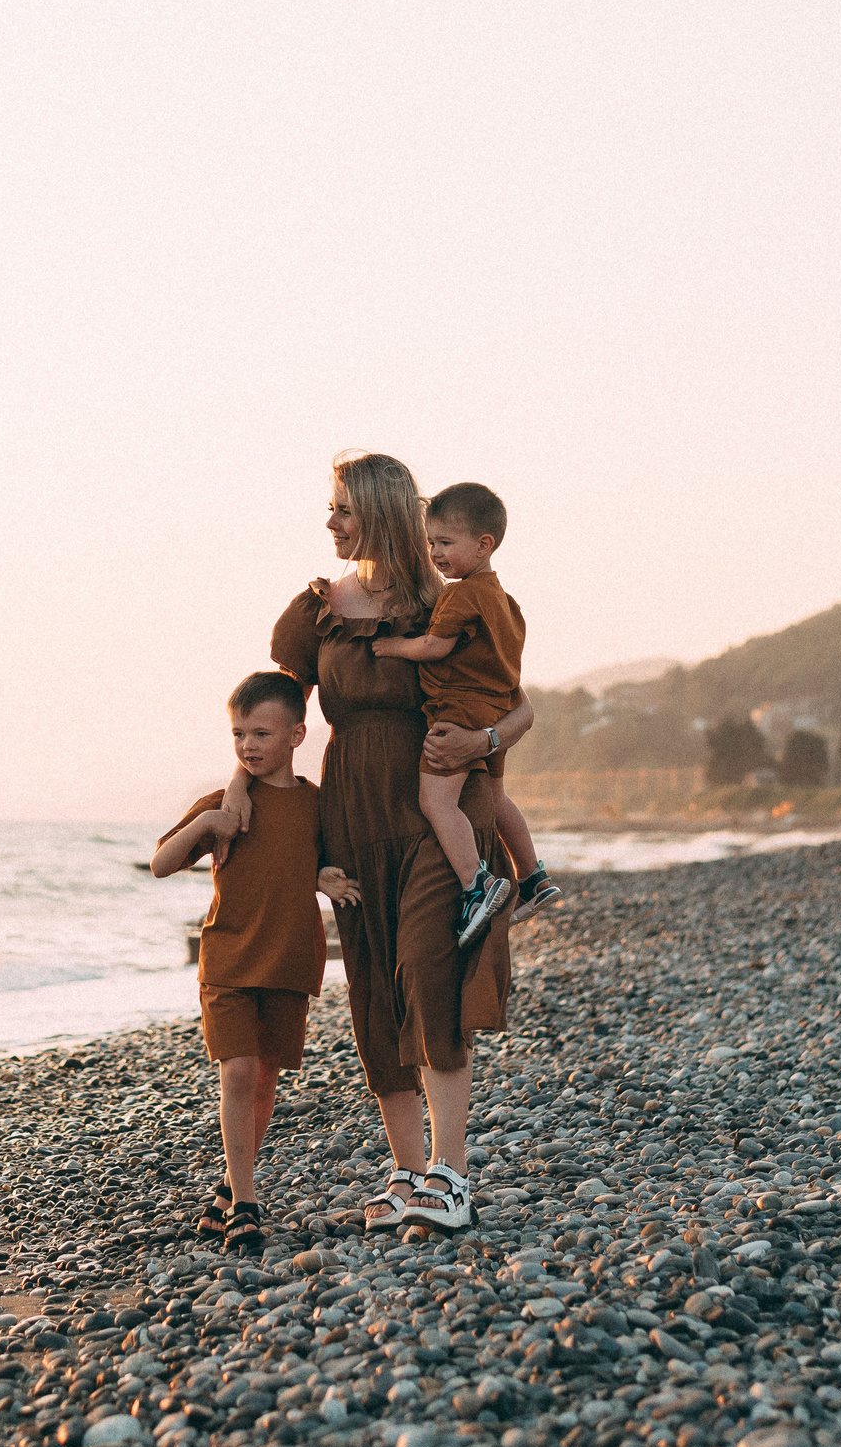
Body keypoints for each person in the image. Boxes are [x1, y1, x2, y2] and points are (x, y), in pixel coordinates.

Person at [240, 449, 533, 1237]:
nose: (330, 522)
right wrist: (242, 787)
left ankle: (452, 1175)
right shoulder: (315, 612)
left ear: (379, 510)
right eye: (330, 509)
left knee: (426, 972)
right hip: (350, 817)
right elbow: (277, 715)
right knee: (372, 988)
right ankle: (406, 1172)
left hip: (430, 815)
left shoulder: (451, 602)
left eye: (342, 508)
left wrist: (483, 742)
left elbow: (518, 707)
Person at [152, 671, 357, 1252]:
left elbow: (303, 861)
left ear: (297, 734)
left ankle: (230, 1182)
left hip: (290, 959)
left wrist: (324, 878)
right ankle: (245, 1200)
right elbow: (162, 864)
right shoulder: (223, 804)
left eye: (262, 734)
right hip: (229, 959)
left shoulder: (317, 804)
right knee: (237, 1071)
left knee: (266, 1077)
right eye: (239, 734)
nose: (248, 746)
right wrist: (204, 824)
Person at [369, 482, 563, 947]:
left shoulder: (460, 596)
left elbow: (437, 646)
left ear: (484, 545)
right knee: (495, 799)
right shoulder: (507, 604)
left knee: (436, 801)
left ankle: (477, 885)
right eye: (431, 542)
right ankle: (533, 877)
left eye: (446, 543)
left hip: (458, 708)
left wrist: (394, 646)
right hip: (495, 710)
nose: (435, 553)